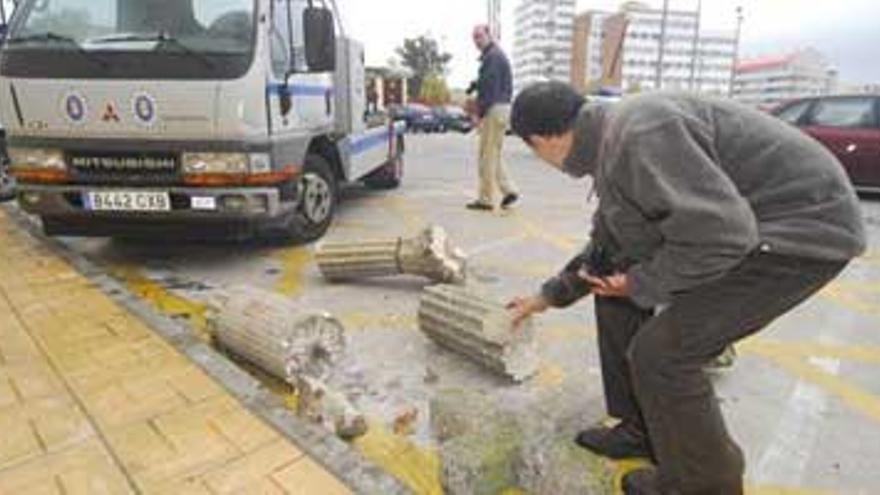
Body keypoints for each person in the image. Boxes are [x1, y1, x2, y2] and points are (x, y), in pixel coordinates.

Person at [506, 81, 866, 494]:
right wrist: (544, 298)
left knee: (663, 354)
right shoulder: (611, 141)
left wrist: (643, 282)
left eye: (533, 152)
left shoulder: (640, 136)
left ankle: (705, 483)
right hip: (752, 225)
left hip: (800, 234)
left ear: (542, 141)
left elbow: (724, 237)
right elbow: (607, 250)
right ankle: (642, 429)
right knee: (615, 301)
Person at [465, 25, 518, 212]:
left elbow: (489, 88)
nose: (477, 41)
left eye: (479, 36)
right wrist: (474, 85)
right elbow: (487, 81)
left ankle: (485, 199)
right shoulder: (494, 56)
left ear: (489, 35)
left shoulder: (492, 57)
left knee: (485, 156)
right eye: (474, 38)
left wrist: (479, 114)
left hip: (494, 108)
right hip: (502, 108)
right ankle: (509, 190)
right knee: (493, 153)